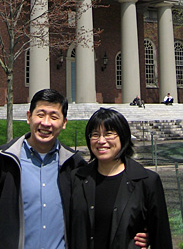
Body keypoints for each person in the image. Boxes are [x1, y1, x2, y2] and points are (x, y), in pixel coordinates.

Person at [0, 89, 149, 249]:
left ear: (64, 123)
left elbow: (98, 211)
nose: (46, 123)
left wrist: (134, 231)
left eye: (54, 117)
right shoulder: (3, 159)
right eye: (41, 114)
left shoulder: (75, 164)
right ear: (29, 117)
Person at [70, 107, 173, 249]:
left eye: (109, 134)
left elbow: (161, 238)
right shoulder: (76, 179)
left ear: (123, 137)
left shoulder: (147, 181)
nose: (101, 141)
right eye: (95, 135)